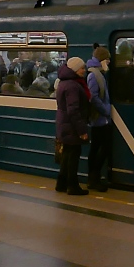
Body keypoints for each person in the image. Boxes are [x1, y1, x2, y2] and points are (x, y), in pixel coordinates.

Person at [55, 56, 90, 194]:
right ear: (75, 69)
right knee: (73, 155)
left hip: (65, 124)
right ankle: (73, 186)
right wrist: (82, 130)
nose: (84, 70)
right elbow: (73, 110)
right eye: (81, 68)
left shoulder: (64, 82)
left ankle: (61, 184)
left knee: (67, 155)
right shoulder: (73, 86)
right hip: (71, 125)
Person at [86, 46, 113, 191]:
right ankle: (94, 179)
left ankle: (94, 178)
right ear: (102, 60)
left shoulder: (98, 74)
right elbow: (93, 97)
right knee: (100, 149)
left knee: (97, 148)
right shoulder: (94, 75)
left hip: (101, 119)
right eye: (107, 59)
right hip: (99, 120)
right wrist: (106, 110)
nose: (108, 62)